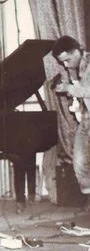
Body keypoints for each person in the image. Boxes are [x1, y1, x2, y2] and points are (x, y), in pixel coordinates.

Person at [52, 35, 90, 209]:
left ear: (76, 51)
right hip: (86, 120)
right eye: (63, 62)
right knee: (79, 162)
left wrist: (69, 88)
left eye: (67, 60)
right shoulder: (76, 69)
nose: (66, 65)